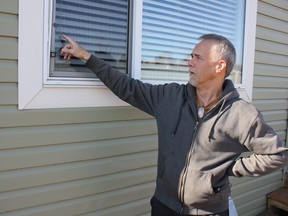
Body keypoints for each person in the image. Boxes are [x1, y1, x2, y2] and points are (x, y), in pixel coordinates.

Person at [61, 34, 288, 216]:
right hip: (163, 205)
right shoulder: (169, 97)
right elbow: (127, 87)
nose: (189, 62)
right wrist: (86, 56)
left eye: (198, 58)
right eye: (191, 56)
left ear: (219, 67)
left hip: (208, 211)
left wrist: (231, 169)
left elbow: (277, 155)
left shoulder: (241, 113)